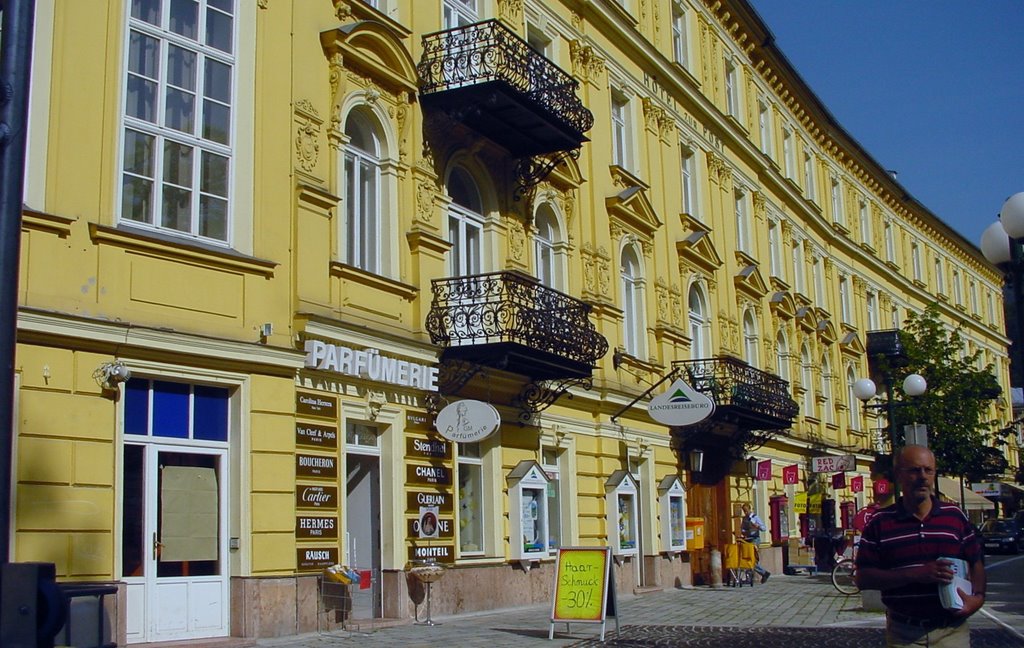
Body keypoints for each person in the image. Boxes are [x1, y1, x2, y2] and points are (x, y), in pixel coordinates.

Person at [855, 445, 985, 647]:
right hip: (903, 632)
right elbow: (863, 578)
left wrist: (977, 599)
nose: (923, 477)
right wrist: (915, 574)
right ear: (899, 475)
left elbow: (976, 562)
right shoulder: (880, 522)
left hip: (951, 631)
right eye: (915, 470)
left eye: (928, 470)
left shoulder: (954, 516)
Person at [740, 503, 770, 583]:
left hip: (755, 539)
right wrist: (744, 532)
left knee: (752, 559)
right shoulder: (744, 519)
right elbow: (742, 529)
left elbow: (764, 528)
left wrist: (757, 526)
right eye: (744, 511)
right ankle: (750, 577)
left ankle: (763, 573)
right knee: (748, 558)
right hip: (747, 539)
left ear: (750, 509)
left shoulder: (755, 517)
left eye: (746, 511)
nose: (745, 513)